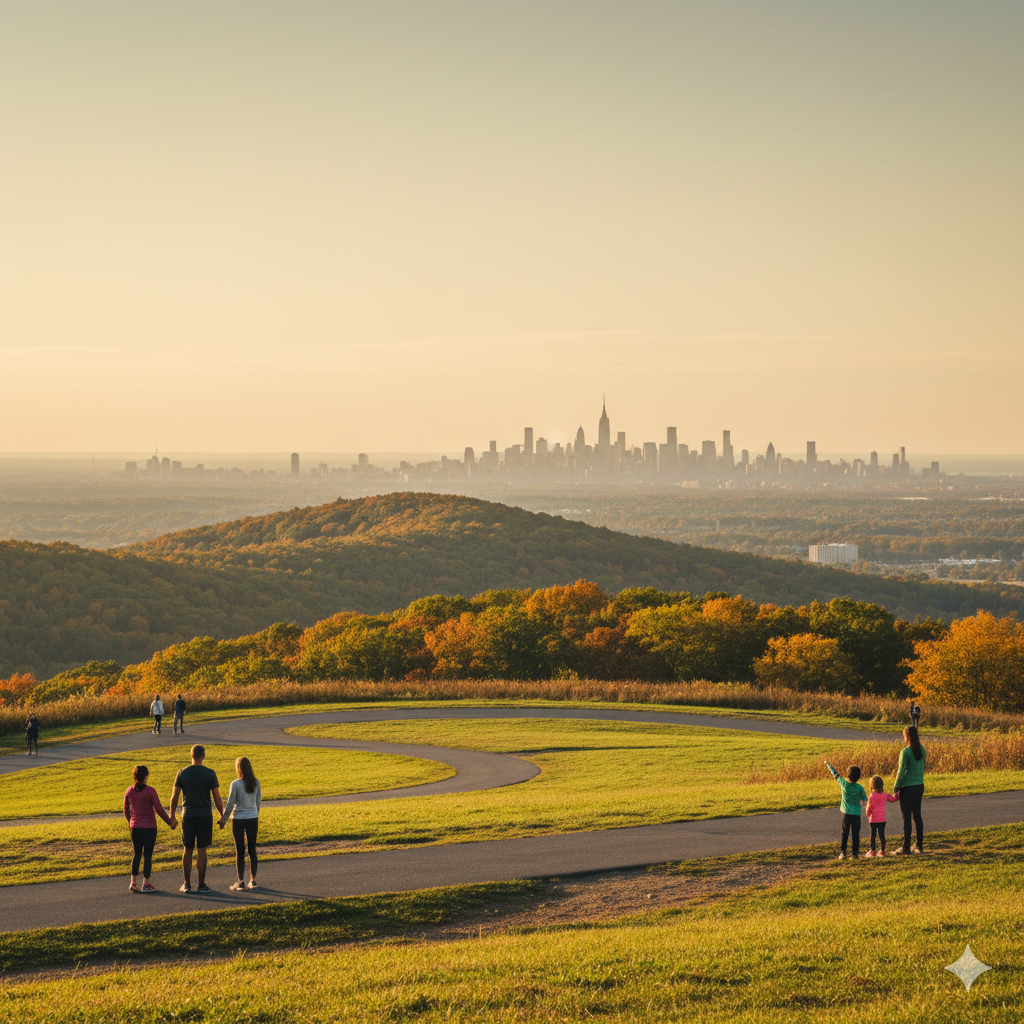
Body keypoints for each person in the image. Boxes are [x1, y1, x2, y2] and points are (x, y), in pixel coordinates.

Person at [169, 744, 223, 894]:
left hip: (188, 814)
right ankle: (201, 884)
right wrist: (222, 815)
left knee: (187, 849)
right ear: (203, 756)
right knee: (202, 850)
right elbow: (217, 798)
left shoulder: (182, 773)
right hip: (205, 815)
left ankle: (186, 883)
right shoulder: (210, 774)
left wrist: (172, 815)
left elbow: (175, 797)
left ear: (191, 755)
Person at [123, 764, 177, 892]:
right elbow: (159, 809)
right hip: (149, 827)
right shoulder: (150, 791)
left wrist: (131, 822)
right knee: (147, 855)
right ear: (146, 777)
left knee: (137, 854)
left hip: (135, 827)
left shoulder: (129, 791)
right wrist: (169, 822)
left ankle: (133, 882)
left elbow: (126, 810)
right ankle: (146, 883)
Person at [218, 756, 261, 891]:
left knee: (240, 850)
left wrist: (224, 819)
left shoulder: (235, 784)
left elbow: (230, 803)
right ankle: (253, 880)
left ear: (239, 769)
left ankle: (241, 881)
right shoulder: (256, 782)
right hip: (252, 817)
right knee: (252, 849)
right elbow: (258, 802)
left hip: (238, 819)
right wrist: (255, 814)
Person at [894, 725, 927, 855]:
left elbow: (901, 771)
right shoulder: (922, 750)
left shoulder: (905, 752)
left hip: (907, 787)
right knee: (917, 816)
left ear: (906, 737)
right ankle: (919, 845)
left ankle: (906, 847)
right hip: (919, 785)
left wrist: (896, 786)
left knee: (906, 818)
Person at [824, 761, 868, 860]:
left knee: (845, 832)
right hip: (856, 814)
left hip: (846, 813)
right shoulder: (860, 788)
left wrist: (829, 765)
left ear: (847, 776)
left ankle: (843, 852)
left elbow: (835, 774)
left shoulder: (844, 784)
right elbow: (864, 799)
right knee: (855, 834)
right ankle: (855, 854)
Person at [864, 775, 899, 858]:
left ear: (872, 786)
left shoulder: (872, 796)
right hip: (882, 819)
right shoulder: (884, 795)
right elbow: (892, 799)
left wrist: (868, 815)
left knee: (873, 835)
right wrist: (897, 795)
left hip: (873, 819)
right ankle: (883, 851)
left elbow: (869, 808)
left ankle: (872, 851)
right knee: (881, 835)